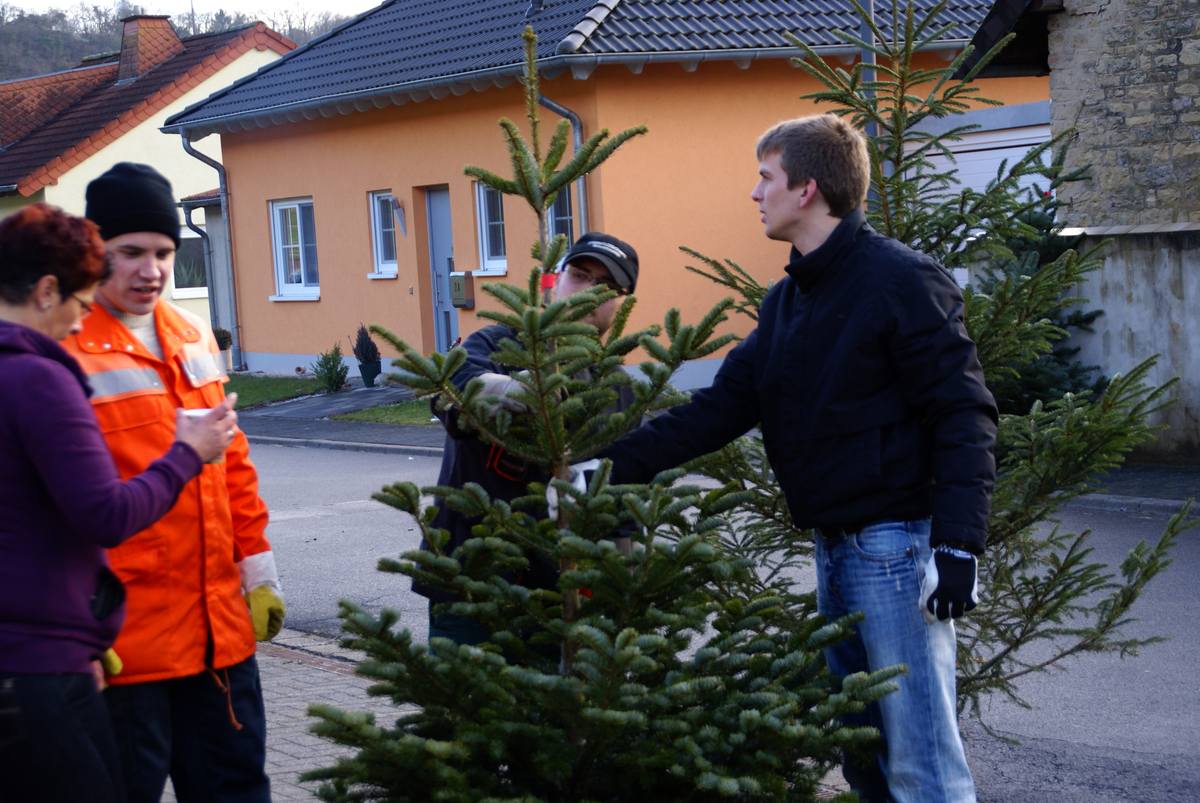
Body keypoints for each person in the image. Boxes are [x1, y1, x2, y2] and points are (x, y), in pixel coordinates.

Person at [601, 115, 997, 802]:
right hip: (836, 552)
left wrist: (960, 543)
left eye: (766, 177)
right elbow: (719, 408)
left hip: (897, 554)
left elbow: (963, 409)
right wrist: (607, 468)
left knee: (921, 763)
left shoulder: (901, 281)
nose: (755, 193)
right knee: (865, 753)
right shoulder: (787, 303)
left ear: (807, 188)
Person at [62, 163, 285, 803]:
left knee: (237, 789)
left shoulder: (190, 334)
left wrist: (259, 570)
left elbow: (232, 461)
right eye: (129, 252)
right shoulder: (63, 349)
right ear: (92, 248)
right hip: (123, 649)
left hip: (218, 639)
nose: (151, 270)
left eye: (164, 252)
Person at [0, 203, 237, 803]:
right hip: (38, 672)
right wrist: (188, 454)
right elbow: (104, 514)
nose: (80, 326)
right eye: (81, 304)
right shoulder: (35, 377)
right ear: (47, 290)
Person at [415, 232, 641, 645]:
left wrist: (620, 585)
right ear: (556, 281)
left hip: (557, 595)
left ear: (621, 303)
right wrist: (520, 391)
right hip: (469, 581)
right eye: (579, 275)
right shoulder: (501, 344)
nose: (588, 294)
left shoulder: (616, 387)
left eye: (606, 286)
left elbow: (623, 494)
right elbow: (453, 389)